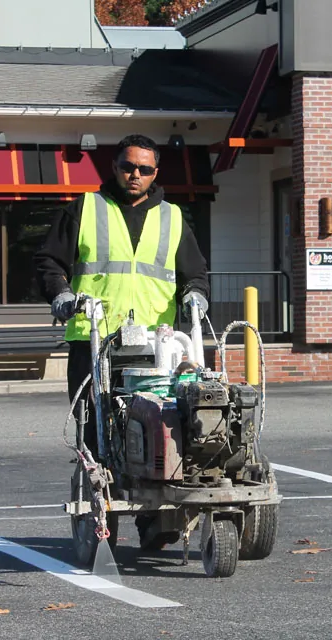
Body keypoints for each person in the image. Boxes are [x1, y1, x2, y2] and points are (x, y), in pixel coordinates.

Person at [34, 134, 210, 455]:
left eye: (144, 169)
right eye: (128, 166)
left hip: (155, 345)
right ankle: (99, 488)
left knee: (159, 428)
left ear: (155, 173)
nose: (135, 175)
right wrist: (59, 293)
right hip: (94, 340)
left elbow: (194, 273)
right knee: (93, 429)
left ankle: (153, 493)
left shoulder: (172, 218)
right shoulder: (85, 209)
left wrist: (195, 295)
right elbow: (49, 261)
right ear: (114, 167)